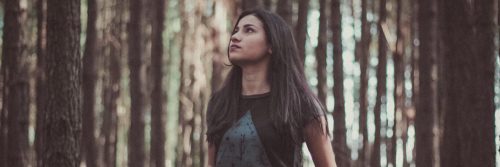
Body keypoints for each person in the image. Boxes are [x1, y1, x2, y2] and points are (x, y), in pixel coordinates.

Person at [206, 8, 337, 167]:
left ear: (272, 44)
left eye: (249, 30)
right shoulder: (220, 103)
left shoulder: (301, 104)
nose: (235, 37)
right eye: (236, 31)